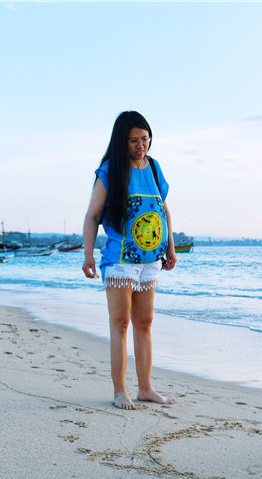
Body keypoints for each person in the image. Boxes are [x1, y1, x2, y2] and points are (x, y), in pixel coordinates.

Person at [82, 111, 177, 410]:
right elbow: (92, 216)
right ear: (121, 141)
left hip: (151, 260)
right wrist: (87, 254)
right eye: (134, 140)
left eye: (145, 139)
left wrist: (171, 247)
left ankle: (146, 388)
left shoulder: (154, 167)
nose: (141, 146)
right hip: (120, 260)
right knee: (120, 324)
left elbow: (164, 209)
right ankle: (120, 390)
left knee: (145, 323)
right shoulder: (110, 171)